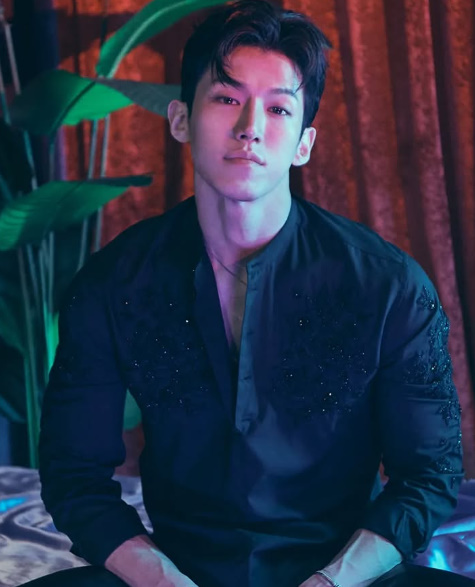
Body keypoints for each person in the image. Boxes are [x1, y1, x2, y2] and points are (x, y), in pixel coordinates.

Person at [25, 1, 469, 586]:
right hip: (176, 573)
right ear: (180, 119)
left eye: (279, 108)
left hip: (346, 574)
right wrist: (162, 580)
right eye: (227, 99)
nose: (250, 128)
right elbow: (74, 477)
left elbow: (429, 475)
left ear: (304, 143)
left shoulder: (389, 286)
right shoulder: (113, 282)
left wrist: (332, 581)